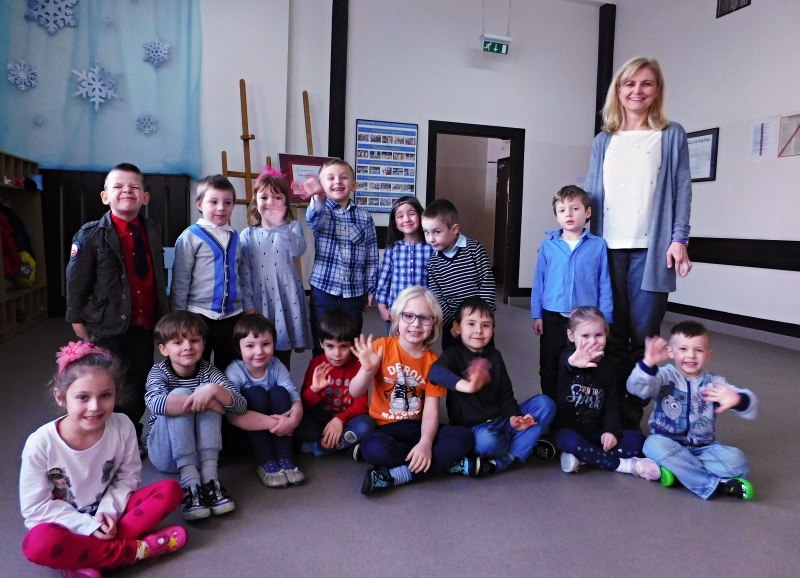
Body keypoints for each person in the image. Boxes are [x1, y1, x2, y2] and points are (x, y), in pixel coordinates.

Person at [584, 56, 693, 431]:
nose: (637, 90)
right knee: (610, 334)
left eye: (646, 83)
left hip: (652, 251)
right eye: (629, 83)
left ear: (657, 90)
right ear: (618, 90)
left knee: (643, 336)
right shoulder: (604, 140)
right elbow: (590, 193)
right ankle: (608, 412)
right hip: (606, 250)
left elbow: (682, 189)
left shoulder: (671, 134)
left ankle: (631, 416)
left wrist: (679, 238)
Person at [20, 341, 186, 577]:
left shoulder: (123, 425)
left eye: (105, 395)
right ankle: (137, 551)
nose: (95, 407)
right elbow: (36, 509)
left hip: (112, 516)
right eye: (82, 397)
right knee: (37, 543)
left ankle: (86, 557)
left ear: (117, 393)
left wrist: (108, 512)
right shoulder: (40, 443)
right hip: (67, 525)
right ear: (61, 397)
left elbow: (128, 477)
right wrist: (88, 526)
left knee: (170, 490)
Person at [65, 162, 169, 454]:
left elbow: (157, 276)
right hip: (107, 325)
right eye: (118, 186)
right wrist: (76, 318)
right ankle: (105, 441)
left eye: (134, 187)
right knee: (109, 383)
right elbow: (76, 280)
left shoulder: (152, 230)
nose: (127, 191)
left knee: (139, 382)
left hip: (144, 323)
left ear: (145, 197)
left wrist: (164, 316)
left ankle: (130, 436)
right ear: (105, 196)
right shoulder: (90, 235)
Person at [348, 286, 474, 495]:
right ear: (396, 318)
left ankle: (396, 475)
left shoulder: (435, 363)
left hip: (418, 428)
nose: (416, 324)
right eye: (408, 316)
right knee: (373, 448)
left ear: (434, 324)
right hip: (385, 428)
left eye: (425, 318)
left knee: (464, 437)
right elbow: (354, 391)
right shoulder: (381, 347)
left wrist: (425, 443)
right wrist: (367, 371)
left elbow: (431, 411)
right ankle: (441, 464)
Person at [627, 321, 757, 500]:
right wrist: (647, 364)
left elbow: (750, 404)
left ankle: (679, 471)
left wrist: (737, 399)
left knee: (737, 461)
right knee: (652, 445)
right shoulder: (663, 376)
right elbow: (635, 388)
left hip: (703, 448)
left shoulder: (713, 383)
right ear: (671, 352)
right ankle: (715, 484)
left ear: (708, 355)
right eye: (683, 349)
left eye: (699, 350)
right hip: (667, 442)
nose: (691, 355)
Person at [430, 297, 557, 477]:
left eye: (486, 325)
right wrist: (467, 386)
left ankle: (508, 455)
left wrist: (514, 417)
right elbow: (435, 372)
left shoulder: (495, 355)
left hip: (501, 420)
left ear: (493, 330)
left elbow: (505, 394)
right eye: (471, 324)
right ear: (457, 327)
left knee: (546, 404)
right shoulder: (452, 355)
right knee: (487, 441)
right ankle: (519, 448)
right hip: (475, 430)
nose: (478, 330)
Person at [144, 311, 247, 520]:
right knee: (183, 393)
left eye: (194, 340)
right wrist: (210, 403)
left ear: (203, 344)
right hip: (166, 454)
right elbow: (155, 403)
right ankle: (190, 485)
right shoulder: (158, 372)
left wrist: (214, 391)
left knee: (209, 390)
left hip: (202, 455)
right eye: (178, 342)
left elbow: (240, 406)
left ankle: (210, 481)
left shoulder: (209, 371)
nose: (187, 347)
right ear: (163, 349)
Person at [552, 307, 660, 481]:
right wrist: (573, 362)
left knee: (639, 442)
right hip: (568, 430)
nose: (592, 341)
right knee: (569, 441)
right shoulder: (567, 357)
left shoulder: (609, 367)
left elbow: (612, 403)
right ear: (571, 336)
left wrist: (610, 431)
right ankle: (621, 465)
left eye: (598, 335)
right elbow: (567, 363)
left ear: (606, 334)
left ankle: (584, 456)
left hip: (597, 432)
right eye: (585, 336)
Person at [531, 185, 612, 399]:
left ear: (587, 212)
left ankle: (578, 404)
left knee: (585, 361)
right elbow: (539, 281)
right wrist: (537, 314)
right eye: (562, 210)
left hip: (586, 319)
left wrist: (606, 318)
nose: (568, 214)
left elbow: (604, 283)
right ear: (556, 215)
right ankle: (551, 404)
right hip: (552, 315)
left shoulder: (598, 245)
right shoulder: (548, 245)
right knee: (549, 362)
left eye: (575, 209)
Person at [292, 159, 379, 355]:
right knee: (322, 345)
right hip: (324, 292)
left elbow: (371, 257)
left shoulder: (365, 217)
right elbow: (314, 219)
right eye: (330, 178)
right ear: (322, 185)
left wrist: (371, 288)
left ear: (353, 185)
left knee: (351, 345)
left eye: (343, 177)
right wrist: (318, 197)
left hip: (354, 293)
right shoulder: (322, 210)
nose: (337, 181)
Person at [170, 174, 244, 374]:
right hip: (199, 315)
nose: (221, 208)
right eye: (213, 202)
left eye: (227, 202)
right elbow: (180, 279)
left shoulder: (235, 236)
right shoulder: (190, 236)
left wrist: (247, 306)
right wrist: (179, 316)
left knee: (229, 366)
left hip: (232, 315)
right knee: (196, 363)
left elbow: (241, 274)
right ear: (200, 204)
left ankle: (224, 393)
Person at [239, 169, 311, 370]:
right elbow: (244, 273)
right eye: (264, 197)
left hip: (286, 297)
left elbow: (298, 249)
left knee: (282, 355)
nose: (270, 202)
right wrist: (248, 305)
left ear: (286, 203)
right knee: (258, 351)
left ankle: (282, 385)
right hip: (259, 299)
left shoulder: (292, 227)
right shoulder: (248, 234)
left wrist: (281, 226)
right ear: (255, 202)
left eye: (277, 197)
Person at [225, 314, 306, 488]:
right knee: (256, 394)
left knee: (280, 392)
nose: (259, 351)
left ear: (274, 345)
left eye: (266, 344)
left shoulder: (276, 365)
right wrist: (273, 423)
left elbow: (294, 397)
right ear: (239, 348)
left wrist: (292, 422)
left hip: (281, 427)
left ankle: (285, 459)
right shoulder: (234, 371)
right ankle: (266, 461)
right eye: (250, 346)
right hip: (248, 429)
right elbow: (232, 413)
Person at [295, 309, 373, 457]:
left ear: (353, 345)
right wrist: (314, 389)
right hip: (320, 418)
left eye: (343, 346)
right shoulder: (316, 363)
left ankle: (319, 448)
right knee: (296, 421)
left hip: (347, 418)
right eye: (330, 346)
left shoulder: (359, 365)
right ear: (321, 343)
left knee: (366, 425)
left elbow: (361, 405)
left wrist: (340, 419)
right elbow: (303, 404)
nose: (337, 354)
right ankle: (345, 447)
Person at [421, 198, 496, 349]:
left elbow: (486, 284)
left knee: (482, 358)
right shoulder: (433, 262)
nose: (431, 239)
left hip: (478, 322)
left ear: (454, 229)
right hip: (453, 325)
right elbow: (438, 296)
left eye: (436, 232)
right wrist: (454, 325)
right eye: (426, 232)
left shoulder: (474, 249)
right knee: (452, 358)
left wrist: (481, 318)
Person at [375, 195, 434, 330]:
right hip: (397, 311)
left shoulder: (431, 248)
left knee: (421, 341)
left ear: (421, 216)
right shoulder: (392, 248)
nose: (406, 219)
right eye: (400, 216)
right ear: (395, 223)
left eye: (411, 214)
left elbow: (436, 281)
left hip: (423, 312)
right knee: (395, 342)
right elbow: (384, 279)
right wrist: (381, 306)